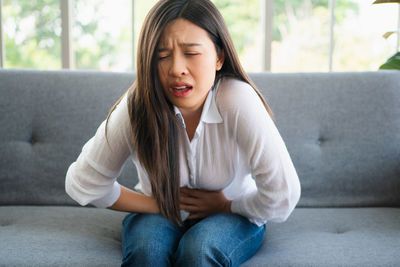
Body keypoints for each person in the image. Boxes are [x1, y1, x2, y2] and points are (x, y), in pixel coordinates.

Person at [65, 0, 301, 266]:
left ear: (219, 57)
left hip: (232, 214)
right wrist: (159, 205)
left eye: (191, 53)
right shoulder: (138, 104)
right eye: (163, 55)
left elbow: (283, 195)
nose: (176, 69)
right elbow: (83, 182)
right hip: (158, 212)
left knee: (199, 250)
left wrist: (226, 206)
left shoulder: (238, 100)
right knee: (147, 251)